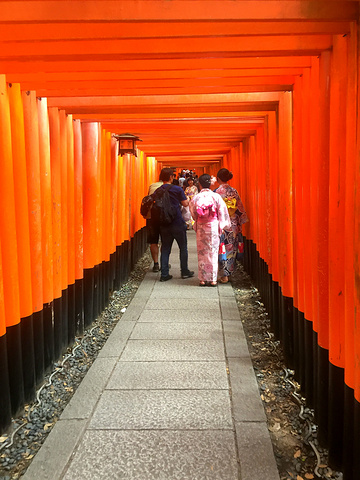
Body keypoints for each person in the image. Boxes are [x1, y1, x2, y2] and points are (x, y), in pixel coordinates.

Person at [189, 174, 231, 286]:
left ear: (199, 184)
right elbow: (222, 212)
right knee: (213, 252)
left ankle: (202, 279)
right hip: (213, 226)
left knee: (202, 253)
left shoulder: (196, 197)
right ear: (210, 184)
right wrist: (222, 226)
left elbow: (193, 212)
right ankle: (213, 280)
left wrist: (197, 220)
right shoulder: (216, 197)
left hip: (201, 227)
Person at [154, 167, 194, 282]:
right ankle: (184, 271)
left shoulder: (158, 190)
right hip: (177, 222)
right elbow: (185, 204)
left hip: (164, 223)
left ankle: (164, 274)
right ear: (171, 177)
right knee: (183, 247)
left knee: (166, 248)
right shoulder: (177, 189)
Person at [214, 168, 248, 284]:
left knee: (221, 247)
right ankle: (228, 273)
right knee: (231, 248)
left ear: (218, 178)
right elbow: (239, 208)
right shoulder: (234, 191)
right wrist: (241, 222)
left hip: (221, 223)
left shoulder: (216, 193)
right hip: (232, 223)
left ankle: (223, 274)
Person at [146, 176, 163, 272]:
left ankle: (156, 264)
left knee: (153, 241)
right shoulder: (169, 187)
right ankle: (164, 262)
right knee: (165, 241)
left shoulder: (152, 186)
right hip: (164, 217)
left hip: (152, 216)